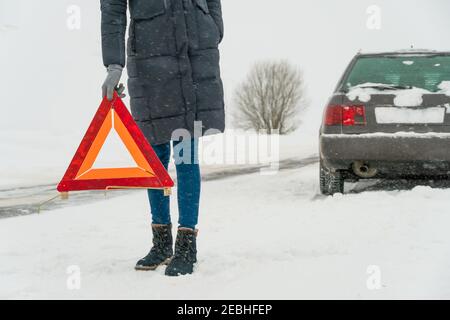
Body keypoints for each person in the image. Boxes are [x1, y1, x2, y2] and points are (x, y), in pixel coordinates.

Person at [100, 0, 225, 276]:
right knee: (153, 158)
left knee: (186, 152)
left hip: (194, 56)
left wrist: (214, 27)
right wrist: (113, 64)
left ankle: (186, 244)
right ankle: (161, 243)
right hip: (149, 58)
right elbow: (112, 8)